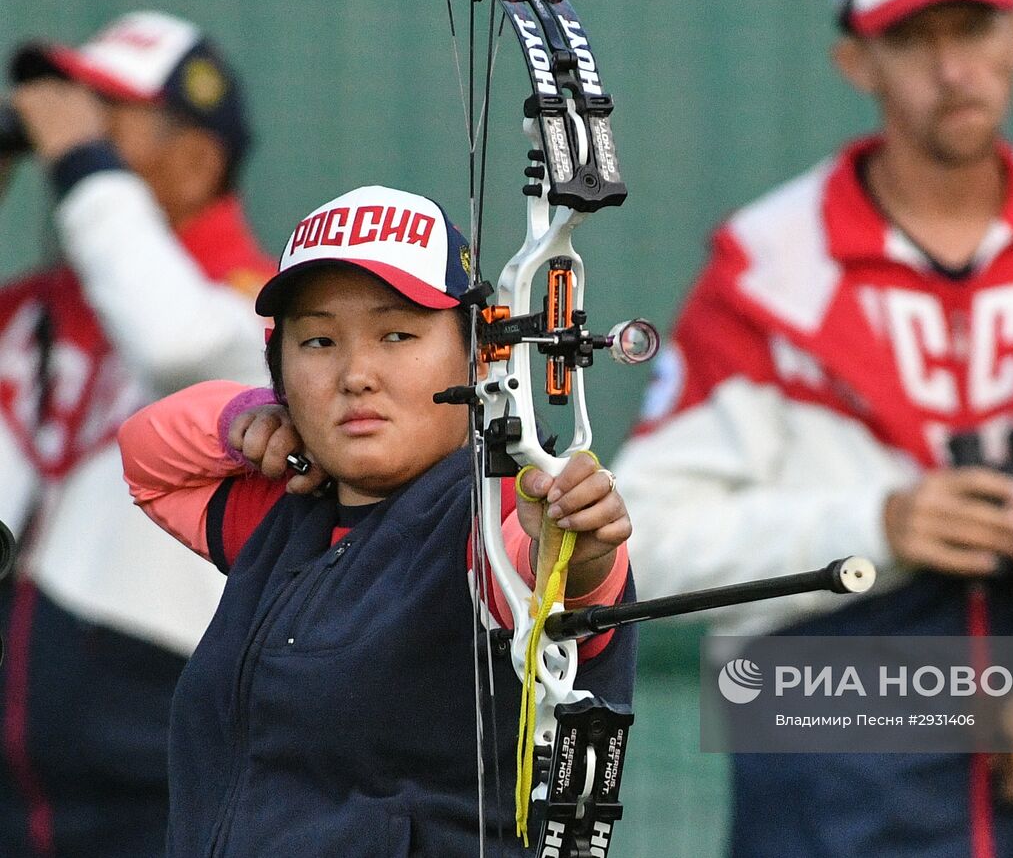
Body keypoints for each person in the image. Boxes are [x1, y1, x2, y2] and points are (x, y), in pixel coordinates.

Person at [614, 0, 1013, 855]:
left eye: (972, 28)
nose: (951, 68)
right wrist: (875, 528)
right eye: (913, 37)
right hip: (831, 807)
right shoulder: (764, 271)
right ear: (856, 59)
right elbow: (645, 542)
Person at [117, 184, 636, 856]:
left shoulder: (496, 509)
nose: (356, 373)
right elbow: (147, 454)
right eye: (319, 341)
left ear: (481, 356)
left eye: (398, 334)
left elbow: (555, 575)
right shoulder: (288, 517)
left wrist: (578, 542)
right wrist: (249, 416)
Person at [0, 12, 274, 857]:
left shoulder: (262, 310)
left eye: (109, 115)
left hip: (153, 763)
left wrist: (86, 168)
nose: (69, 134)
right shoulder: (34, 311)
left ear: (198, 158)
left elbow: (172, 343)